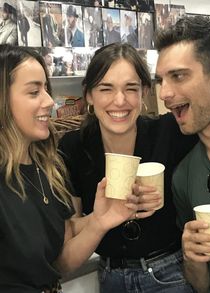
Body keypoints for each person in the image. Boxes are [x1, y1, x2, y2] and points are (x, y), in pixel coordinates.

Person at [0, 44, 140, 293]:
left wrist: (99, 220)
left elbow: (58, 258)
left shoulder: (47, 169)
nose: (49, 101)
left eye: (46, 89)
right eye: (34, 92)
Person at [58, 42, 198, 293]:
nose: (119, 100)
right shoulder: (73, 147)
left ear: (145, 92)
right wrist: (100, 219)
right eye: (106, 88)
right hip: (110, 277)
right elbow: (68, 248)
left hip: (169, 273)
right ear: (88, 94)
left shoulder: (170, 131)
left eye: (131, 88)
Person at [155, 15, 210, 293]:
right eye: (160, 80)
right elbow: (202, 286)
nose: (165, 93)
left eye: (178, 76)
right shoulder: (184, 176)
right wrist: (192, 258)